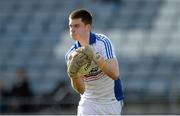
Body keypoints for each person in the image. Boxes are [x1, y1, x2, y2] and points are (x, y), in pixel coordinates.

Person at [65, 9, 124, 115]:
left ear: (87, 27)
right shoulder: (71, 54)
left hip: (110, 101)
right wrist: (73, 76)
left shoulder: (102, 42)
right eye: (70, 26)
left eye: (76, 26)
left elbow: (115, 74)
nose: (72, 29)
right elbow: (81, 89)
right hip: (88, 102)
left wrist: (96, 57)